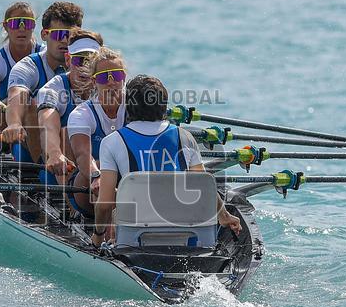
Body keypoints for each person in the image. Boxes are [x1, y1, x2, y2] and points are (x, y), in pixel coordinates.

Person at [90, 75, 242, 247]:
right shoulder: (185, 137)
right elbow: (203, 186)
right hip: (189, 235)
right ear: (164, 105)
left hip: (134, 239)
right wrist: (224, 216)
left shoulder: (112, 142)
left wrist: (98, 235)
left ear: (127, 106)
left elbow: (105, 204)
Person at [2, 1, 84, 162]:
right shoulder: (27, 67)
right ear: (44, 34)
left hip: (73, 140)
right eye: (58, 34)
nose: (65, 41)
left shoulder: (88, 66)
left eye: (71, 36)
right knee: (34, 103)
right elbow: (16, 95)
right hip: (35, 149)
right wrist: (13, 123)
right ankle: (44, 166)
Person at [66, 46, 127, 217]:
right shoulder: (82, 114)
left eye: (116, 75)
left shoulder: (136, 107)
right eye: (103, 77)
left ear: (124, 78)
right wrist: (96, 176)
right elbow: (83, 154)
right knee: (105, 165)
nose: (111, 82)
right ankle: (104, 233)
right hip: (88, 185)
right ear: (94, 82)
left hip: (127, 179)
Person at [37, 29, 102, 181]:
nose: (85, 67)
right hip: (66, 167)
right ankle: (71, 199)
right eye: (79, 60)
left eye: (91, 61)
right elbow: (48, 123)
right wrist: (54, 153)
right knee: (67, 132)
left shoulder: (110, 86)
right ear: (68, 60)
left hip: (101, 165)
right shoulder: (52, 89)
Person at [0, 1, 41, 133]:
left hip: (39, 123)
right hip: (4, 128)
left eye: (27, 23)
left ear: (33, 26)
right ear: (6, 26)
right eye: (15, 23)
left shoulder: (44, 55)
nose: (22, 28)